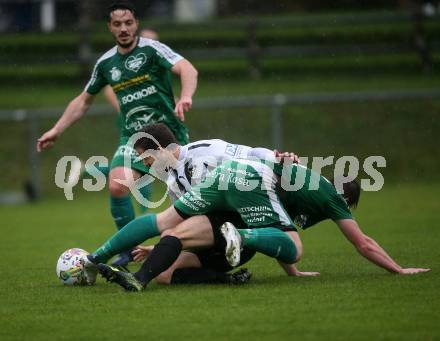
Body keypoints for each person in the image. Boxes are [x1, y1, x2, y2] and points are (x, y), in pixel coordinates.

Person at [84, 133, 430, 291]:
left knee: (168, 230)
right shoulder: (328, 197)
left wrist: (292, 274)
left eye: (146, 160)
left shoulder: (305, 186)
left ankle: (109, 263)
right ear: (346, 199)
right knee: (294, 244)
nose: (146, 167)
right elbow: (363, 243)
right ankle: (240, 238)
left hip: (228, 191)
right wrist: (398, 270)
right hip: (244, 188)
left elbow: (273, 216)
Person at [36, 1, 198, 268]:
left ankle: (203, 242)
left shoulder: (153, 49)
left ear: (136, 24)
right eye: (117, 24)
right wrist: (56, 129)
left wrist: (186, 96)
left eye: (128, 23)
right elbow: (83, 101)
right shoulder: (106, 63)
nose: (124, 29)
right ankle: (128, 249)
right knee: (117, 184)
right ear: (110, 28)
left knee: (188, 201)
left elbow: (188, 69)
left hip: (168, 136)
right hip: (133, 138)